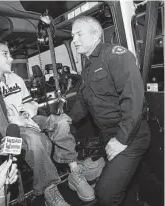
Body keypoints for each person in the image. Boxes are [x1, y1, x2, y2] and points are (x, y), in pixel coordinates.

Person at [0, 40, 95, 206]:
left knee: (61, 121)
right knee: (36, 140)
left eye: (10, 54)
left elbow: (30, 103)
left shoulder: (15, 78)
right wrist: (18, 121)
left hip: (28, 118)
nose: (11, 59)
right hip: (11, 128)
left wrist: (27, 113)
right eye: (5, 54)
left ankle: (74, 171)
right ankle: (49, 188)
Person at [69, 16, 151, 206]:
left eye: (79, 34)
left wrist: (122, 139)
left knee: (105, 193)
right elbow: (83, 102)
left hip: (130, 134)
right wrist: (64, 119)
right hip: (107, 135)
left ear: (96, 34)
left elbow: (133, 99)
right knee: (124, 189)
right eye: (72, 36)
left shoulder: (115, 55)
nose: (74, 40)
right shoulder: (87, 67)